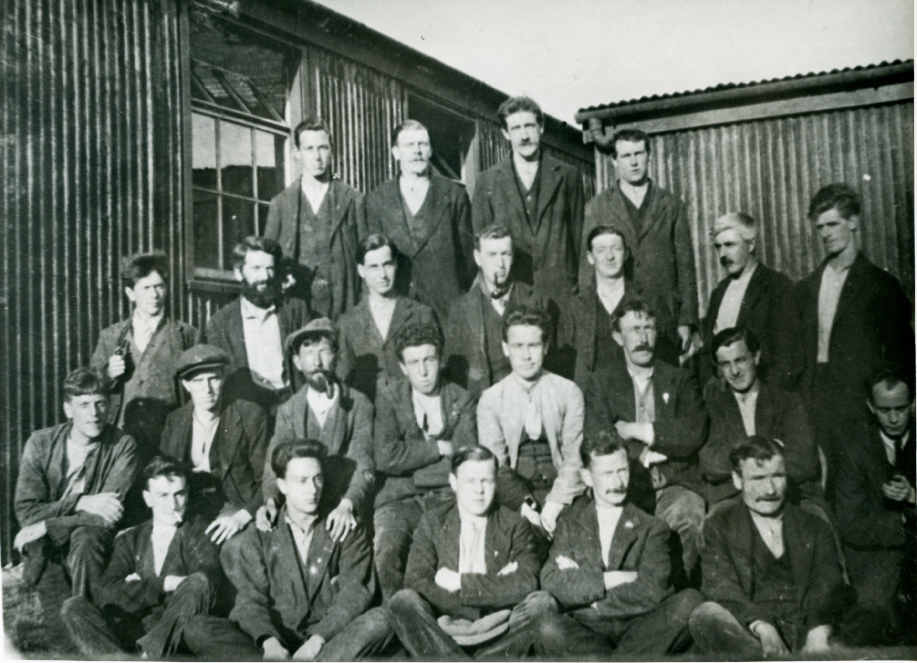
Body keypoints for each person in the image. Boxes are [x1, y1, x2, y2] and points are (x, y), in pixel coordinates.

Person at [183, 440, 393, 661]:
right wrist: (269, 644)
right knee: (197, 627)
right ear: (282, 486)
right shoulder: (259, 533)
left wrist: (316, 641)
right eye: (302, 481)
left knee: (382, 620)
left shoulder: (344, 526)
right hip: (277, 640)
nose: (313, 489)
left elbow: (355, 592)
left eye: (317, 479)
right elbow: (249, 601)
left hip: (328, 639)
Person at [777, 183, 913, 496]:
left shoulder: (881, 286)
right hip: (815, 406)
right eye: (820, 227)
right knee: (821, 491)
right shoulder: (805, 290)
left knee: (863, 490)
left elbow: (900, 358)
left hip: (861, 408)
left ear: (853, 222)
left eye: (833, 224)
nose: (825, 233)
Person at [536, 431, 702, 658]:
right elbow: (551, 580)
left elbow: (652, 591)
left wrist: (594, 599)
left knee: (690, 601)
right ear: (586, 476)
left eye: (622, 470)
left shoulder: (653, 527)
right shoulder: (570, 523)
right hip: (589, 628)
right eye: (606, 473)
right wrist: (611, 578)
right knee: (547, 627)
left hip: (640, 625)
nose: (617, 482)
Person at [387, 445, 558, 660]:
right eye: (470, 481)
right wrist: (484, 598)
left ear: (496, 481)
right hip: (444, 631)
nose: (479, 490)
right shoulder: (433, 522)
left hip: (500, 629)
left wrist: (460, 583)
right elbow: (416, 581)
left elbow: (526, 582)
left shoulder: (515, 524)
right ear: (453, 482)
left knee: (541, 604)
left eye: (486, 481)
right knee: (402, 602)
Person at [690, 436, 854, 655]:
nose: (770, 490)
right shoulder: (719, 524)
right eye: (758, 478)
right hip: (753, 633)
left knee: (870, 614)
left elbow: (829, 581)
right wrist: (762, 625)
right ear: (738, 480)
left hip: (810, 631)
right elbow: (721, 587)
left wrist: (819, 630)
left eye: (777, 476)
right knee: (705, 615)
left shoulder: (813, 523)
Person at [583, 300, 708, 582]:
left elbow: (693, 432)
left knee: (689, 517)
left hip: (674, 484)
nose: (642, 338)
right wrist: (652, 453)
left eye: (648, 328)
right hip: (625, 487)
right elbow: (599, 440)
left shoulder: (680, 379)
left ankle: (676, 596)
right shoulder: (601, 383)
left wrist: (635, 430)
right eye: (634, 329)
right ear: (618, 337)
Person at [13, 367, 137, 646]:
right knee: (45, 557)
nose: (94, 413)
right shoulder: (41, 442)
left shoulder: (121, 445)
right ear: (68, 410)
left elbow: (107, 515)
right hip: (48, 544)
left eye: (100, 403)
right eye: (84, 405)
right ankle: (80, 639)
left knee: (85, 538)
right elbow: (26, 511)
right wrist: (81, 501)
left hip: (89, 537)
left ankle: (88, 633)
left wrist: (48, 523)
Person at [60, 456, 224, 659]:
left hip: (173, 633)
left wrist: (137, 586)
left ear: (187, 494)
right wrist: (166, 584)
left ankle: (148, 654)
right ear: (148, 499)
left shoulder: (198, 529)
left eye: (179, 494)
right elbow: (107, 592)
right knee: (74, 606)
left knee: (199, 582)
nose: (172, 505)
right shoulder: (131, 538)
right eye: (163, 495)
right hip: (131, 629)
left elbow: (204, 583)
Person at [372, 321, 477, 602]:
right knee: (388, 548)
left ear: (440, 360)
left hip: (446, 497)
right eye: (414, 362)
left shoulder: (461, 399)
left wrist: (413, 467)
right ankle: (396, 616)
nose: (423, 371)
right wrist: (437, 449)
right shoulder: (390, 397)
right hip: (399, 499)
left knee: (454, 554)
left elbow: (464, 459)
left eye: (429, 359)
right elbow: (385, 457)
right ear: (403, 367)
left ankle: (449, 620)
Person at [579, 128, 700, 363]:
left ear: (649, 156)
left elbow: (685, 266)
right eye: (626, 156)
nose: (634, 162)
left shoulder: (671, 204)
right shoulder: (598, 206)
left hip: (663, 316)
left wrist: (687, 320)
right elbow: (587, 270)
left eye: (639, 154)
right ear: (614, 160)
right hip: (615, 318)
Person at [261, 318, 374, 541]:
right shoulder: (289, 410)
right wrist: (271, 500)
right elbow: (273, 461)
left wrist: (348, 503)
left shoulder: (358, 404)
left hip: (342, 504)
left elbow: (363, 461)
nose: (317, 361)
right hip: (301, 506)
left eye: (324, 351)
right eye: (308, 353)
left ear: (337, 357)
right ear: (297, 361)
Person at [477, 306, 584, 539]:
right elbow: (496, 466)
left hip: (563, 492)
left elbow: (574, 456)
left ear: (545, 346)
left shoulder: (568, 391)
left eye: (533, 346)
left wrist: (555, 504)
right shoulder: (491, 400)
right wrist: (525, 508)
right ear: (506, 348)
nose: (526, 356)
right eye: (518, 346)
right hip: (515, 500)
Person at [91, 251, 200, 461]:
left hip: (170, 438)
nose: (154, 295)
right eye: (146, 288)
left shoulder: (187, 335)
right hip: (122, 440)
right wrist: (107, 373)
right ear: (130, 293)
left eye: (160, 286)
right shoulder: (111, 336)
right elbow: (90, 387)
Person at [701, 327, 823, 513]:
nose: (734, 371)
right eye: (725, 364)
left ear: (756, 357)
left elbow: (805, 460)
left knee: (816, 523)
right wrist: (773, 446)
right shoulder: (713, 408)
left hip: (789, 495)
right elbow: (711, 463)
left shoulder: (788, 402)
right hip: (734, 499)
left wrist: (739, 454)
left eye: (740, 360)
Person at [472, 96, 584, 298]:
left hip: (561, 295)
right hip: (511, 294)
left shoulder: (568, 176)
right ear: (505, 133)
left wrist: (576, 289)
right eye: (515, 128)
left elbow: (579, 240)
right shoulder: (487, 181)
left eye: (530, 126)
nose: (524, 136)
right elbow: (482, 246)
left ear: (541, 127)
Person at [364, 119, 474, 321]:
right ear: (396, 152)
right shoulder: (377, 199)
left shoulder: (454, 195)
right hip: (396, 311)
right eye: (409, 145)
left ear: (430, 150)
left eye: (423, 144)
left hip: (445, 310)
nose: (417, 151)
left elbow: (468, 260)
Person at [159, 344, 268, 544]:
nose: (206, 389)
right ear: (185, 385)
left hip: (234, 508)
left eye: (213, 379)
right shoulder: (175, 420)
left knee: (233, 550)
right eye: (198, 381)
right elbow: (162, 475)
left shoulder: (250, 415)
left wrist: (242, 516)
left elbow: (268, 480)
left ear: (223, 378)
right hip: (187, 509)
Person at [835, 369, 915, 628]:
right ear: (871, 406)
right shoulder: (854, 447)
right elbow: (851, 524)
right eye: (884, 410)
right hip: (877, 559)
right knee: (872, 620)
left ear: (914, 403)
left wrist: (914, 496)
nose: (893, 419)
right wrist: (905, 518)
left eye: (901, 409)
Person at [264, 117, 365, 318]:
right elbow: (267, 264)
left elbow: (368, 261)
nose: (317, 157)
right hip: (297, 309)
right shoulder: (281, 204)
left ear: (331, 150)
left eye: (323, 148)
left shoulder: (353, 200)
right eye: (309, 149)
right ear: (296, 153)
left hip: (344, 309)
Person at [443, 223, 557, 396]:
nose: (500, 263)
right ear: (478, 258)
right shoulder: (460, 308)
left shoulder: (536, 300)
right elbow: (455, 374)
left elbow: (551, 364)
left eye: (505, 254)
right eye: (492, 255)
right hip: (481, 407)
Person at [204, 236, 311, 413]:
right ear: (239, 273)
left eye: (270, 268)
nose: (264, 276)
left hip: (292, 405)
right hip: (248, 409)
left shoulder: (295, 310)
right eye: (256, 268)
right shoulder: (220, 323)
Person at [563, 224, 678, 383]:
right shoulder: (577, 304)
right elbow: (567, 362)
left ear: (625, 254)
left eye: (616, 248)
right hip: (592, 397)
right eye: (601, 250)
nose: (609, 256)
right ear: (590, 257)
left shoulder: (649, 300)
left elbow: (668, 357)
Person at [338, 233, 438, 401]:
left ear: (396, 265)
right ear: (361, 271)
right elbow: (344, 377)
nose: (382, 275)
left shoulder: (422, 314)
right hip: (370, 412)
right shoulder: (347, 322)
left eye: (387, 265)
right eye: (374, 267)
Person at [701, 213, 792, 379]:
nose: (723, 254)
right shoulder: (719, 292)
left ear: (750, 244)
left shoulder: (776, 286)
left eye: (729, 245)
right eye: (718, 247)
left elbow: (788, 358)